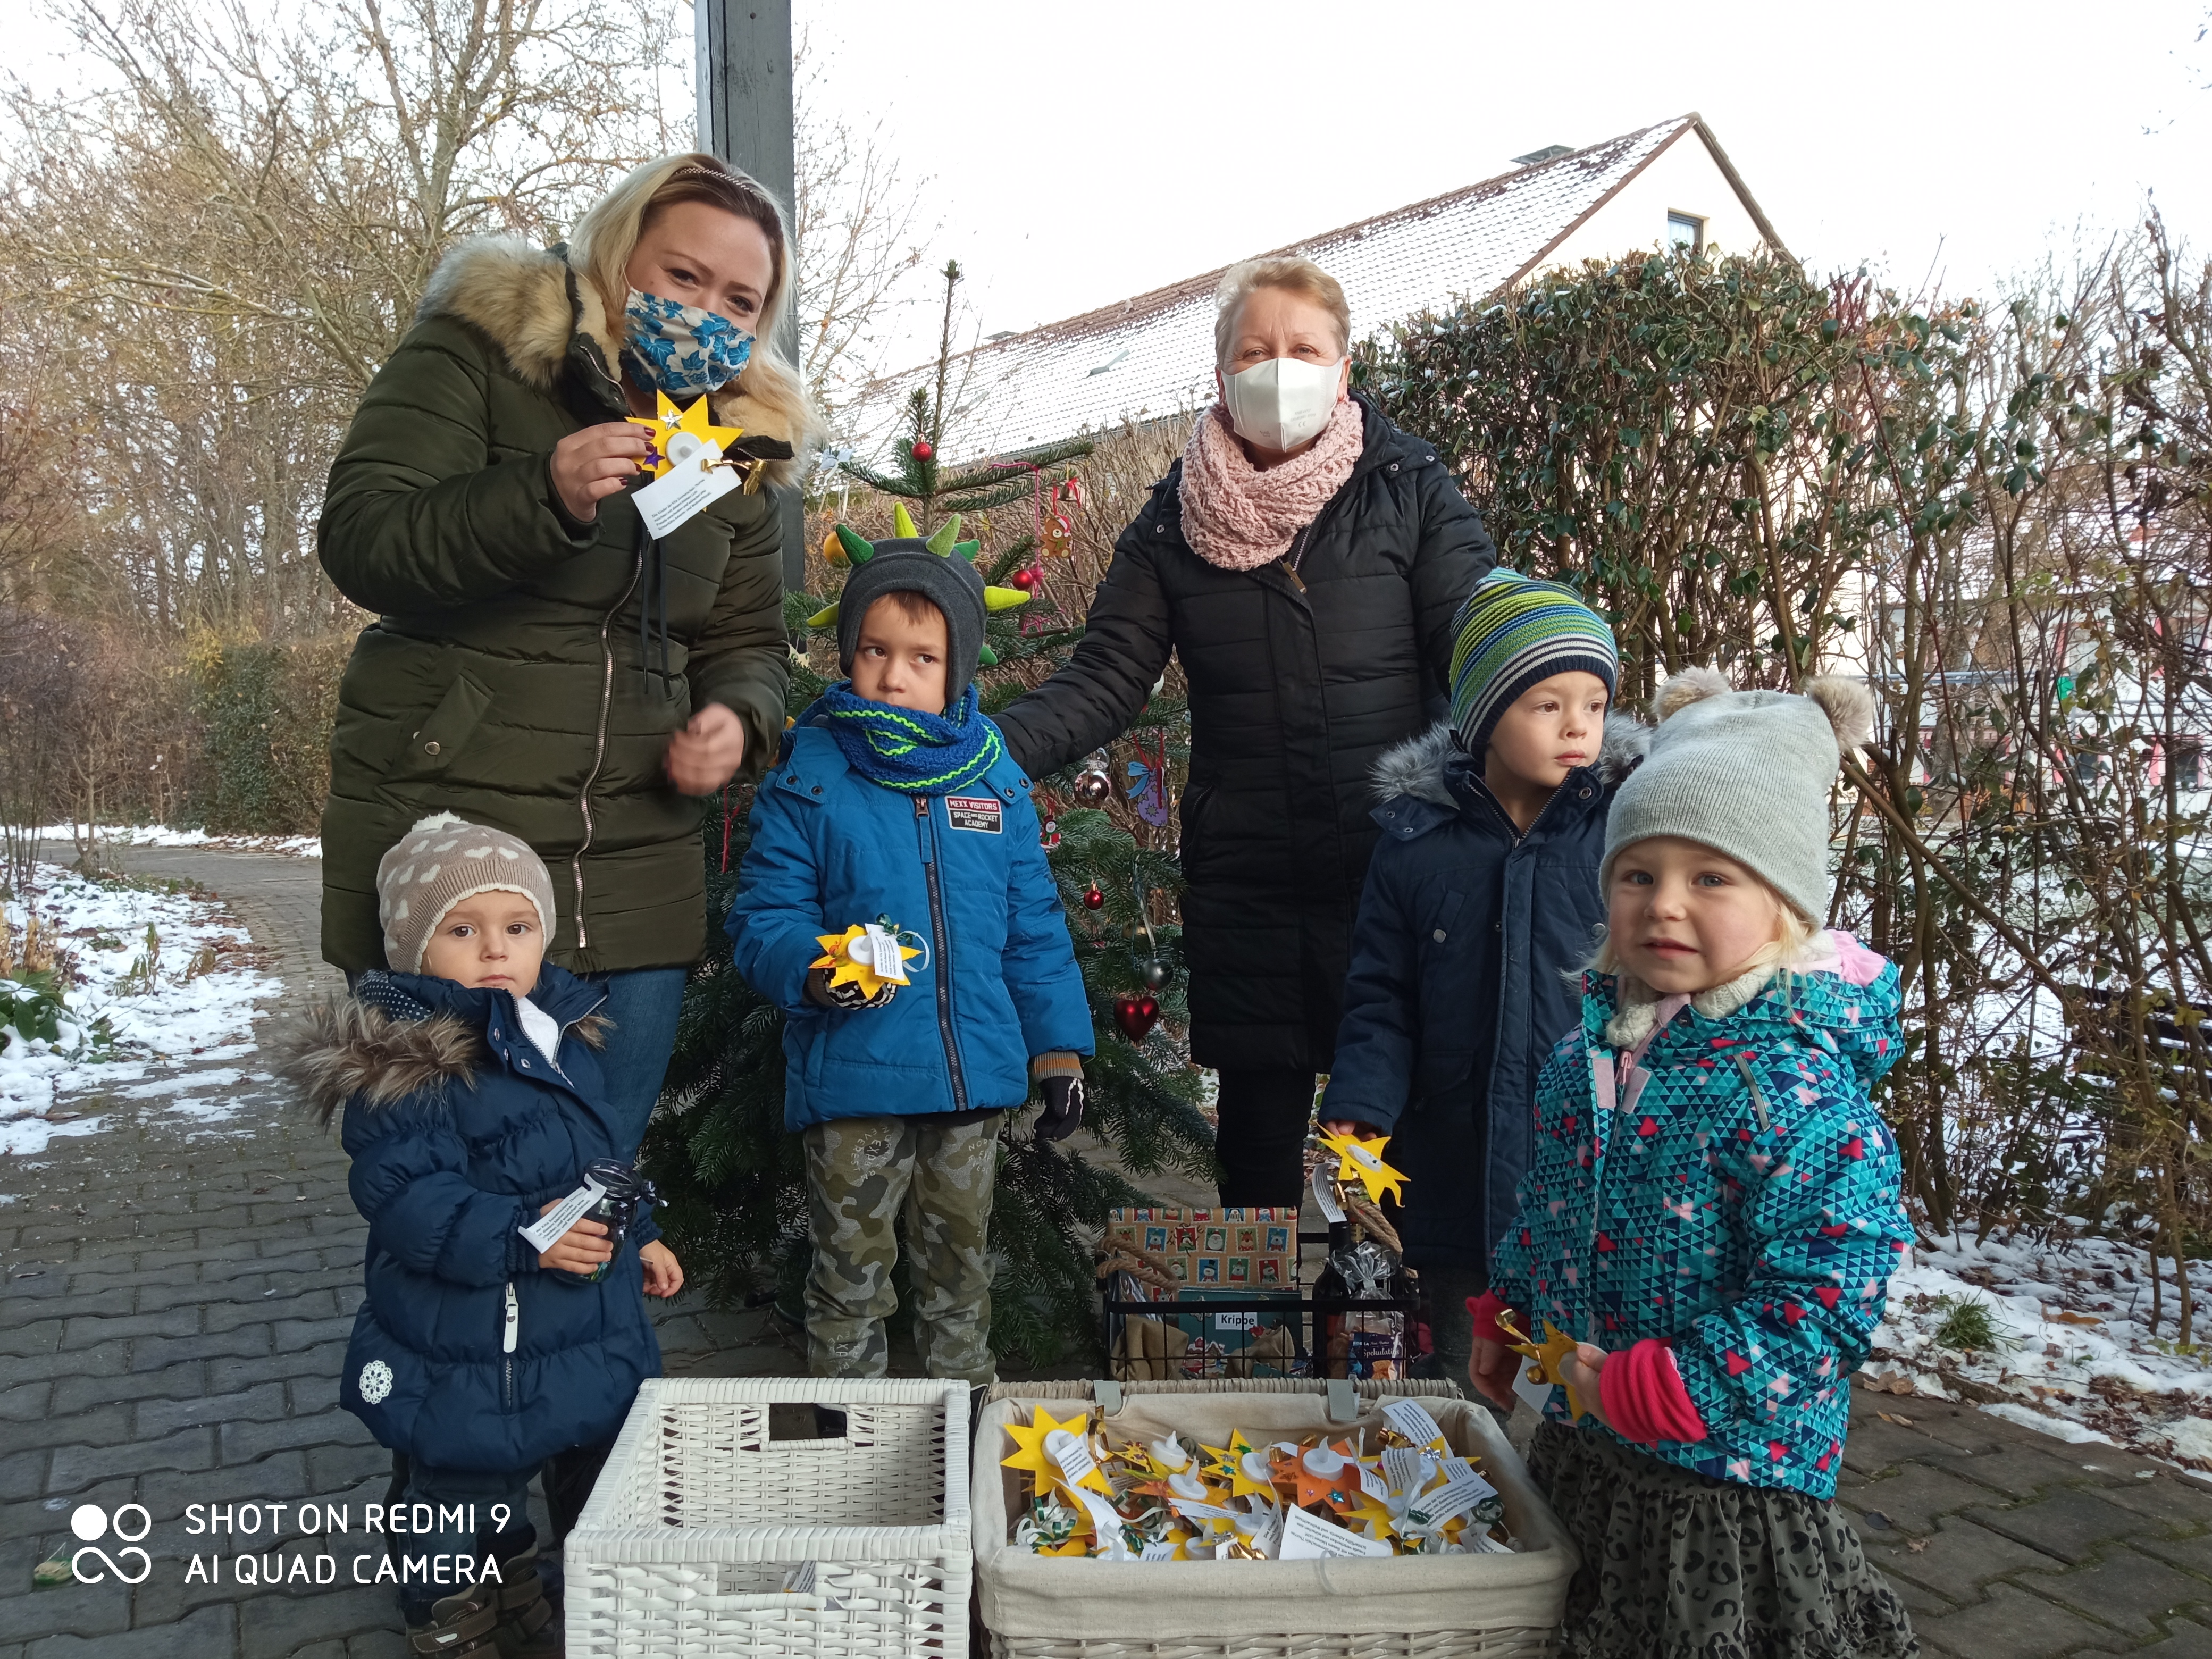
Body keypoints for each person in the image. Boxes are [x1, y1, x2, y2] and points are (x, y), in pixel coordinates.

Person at [316, 152, 817, 1161]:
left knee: (591, 1189)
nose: (707, 311)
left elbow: (748, 641)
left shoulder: (742, 448)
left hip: (635, 881)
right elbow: (364, 537)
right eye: (682, 277)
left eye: (740, 299)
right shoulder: (486, 351)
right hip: (458, 868)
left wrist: (739, 716)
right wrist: (539, 493)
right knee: (441, 1198)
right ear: (618, 251)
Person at [993, 256, 1494, 1207]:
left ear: (1344, 369)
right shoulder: (1172, 523)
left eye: (1304, 349)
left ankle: (1412, 1344)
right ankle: (1258, 1336)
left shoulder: (1409, 488)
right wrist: (978, 749)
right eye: (1256, 350)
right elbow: (1106, 676)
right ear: (1221, 375)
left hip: (1401, 870)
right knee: (1256, 1157)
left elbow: (1484, 642)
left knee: (1416, 1139)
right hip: (1252, 873)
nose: (1280, 368)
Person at [1466, 669, 1919, 1658]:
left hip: (1725, 1489)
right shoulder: (1585, 1055)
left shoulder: (1794, 1090)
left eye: (1711, 878)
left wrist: (1670, 1388)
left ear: (1784, 909)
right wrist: (1509, 1314)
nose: (1665, 904)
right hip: (1588, 1453)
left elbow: (1823, 1300)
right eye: (1639, 874)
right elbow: (1548, 1208)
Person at [286, 815, 684, 1655]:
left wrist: (638, 1229)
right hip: (469, 1339)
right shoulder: (409, 1067)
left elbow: (600, 1157)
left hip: (575, 1321)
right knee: (462, 1478)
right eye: (463, 930)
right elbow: (407, 1199)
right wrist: (525, 1236)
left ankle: (509, 1577)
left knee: (547, 1451)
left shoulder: (559, 1035)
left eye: (518, 927)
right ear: (411, 949)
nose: (496, 950)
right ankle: (444, 1607)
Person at [725, 523, 1093, 1381]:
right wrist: (817, 969)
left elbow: (1033, 929)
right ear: (848, 654)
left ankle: (961, 1430)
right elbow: (765, 922)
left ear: (956, 669)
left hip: (970, 1088)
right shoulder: (811, 777)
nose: (894, 676)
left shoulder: (993, 781)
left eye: (922, 659)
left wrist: (1059, 1051)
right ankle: (849, 1450)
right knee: (850, 1281)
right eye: (874, 651)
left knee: (960, 1278)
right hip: (856, 1082)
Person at [1319, 572, 1640, 1381]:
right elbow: (1382, 994)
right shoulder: (1417, 843)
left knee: (1573, 1363)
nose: (1579, 726)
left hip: (1583, 1161)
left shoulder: (1624, 835)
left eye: (1594, 705)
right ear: (1485, 716)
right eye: (1548, 705)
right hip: (1449, 1150)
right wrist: (1361, 1103)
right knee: (1459, 1362)